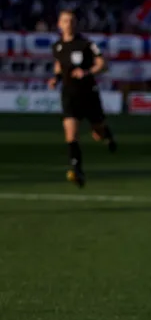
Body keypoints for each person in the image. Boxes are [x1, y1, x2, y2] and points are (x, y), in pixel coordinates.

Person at [48, 10, 116, 188]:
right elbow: (58, 65)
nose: (68, 23)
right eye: (65, 21)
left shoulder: (86, 44)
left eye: (71, 20)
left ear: (75, 23)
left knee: (97, 132)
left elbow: (102, 63)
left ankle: (106, 133)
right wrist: (55, 79)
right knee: (71, 133)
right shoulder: (57, 47)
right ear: (59, 24)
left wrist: (87, 72)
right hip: (69, 94)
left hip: (88, 94)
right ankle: (77, 169)